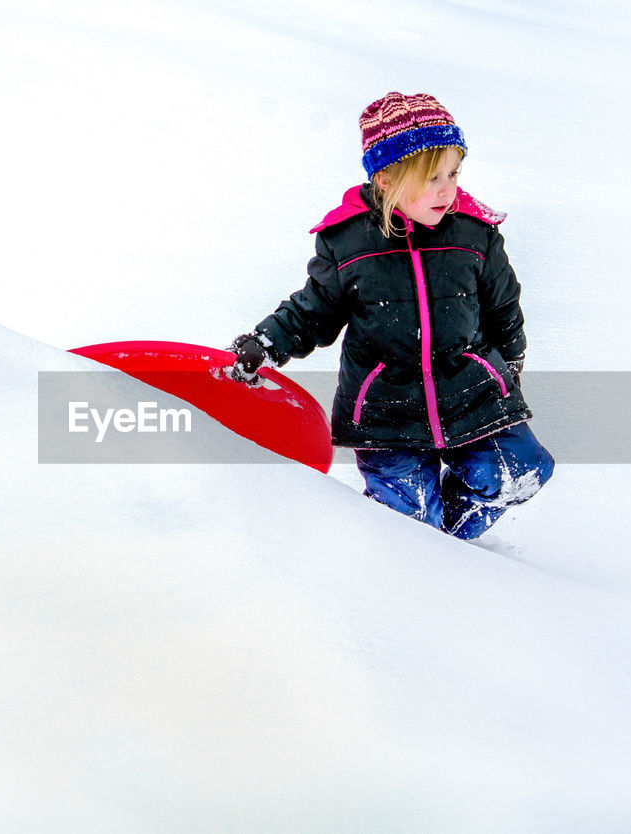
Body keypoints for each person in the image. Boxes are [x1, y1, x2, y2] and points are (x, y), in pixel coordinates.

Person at [230, 91, 554, 540]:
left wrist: (510, 364)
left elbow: (504, 307)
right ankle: (416, 559)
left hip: (472, 392)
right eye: (432, 177)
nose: (448, 188)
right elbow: (312, 312)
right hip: (386, 412)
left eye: (454, 173)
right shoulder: (347, 243)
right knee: (406, 524)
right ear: (385, 179)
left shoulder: (474, 233)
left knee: (522, 469)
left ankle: (451, 546)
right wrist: (266, 343)